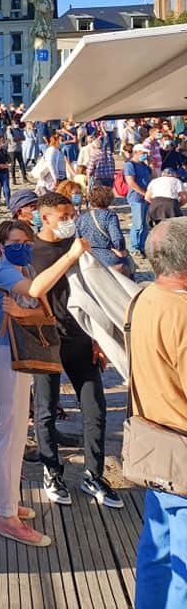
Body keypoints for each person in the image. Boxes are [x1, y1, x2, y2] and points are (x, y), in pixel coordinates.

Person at [0, 220, 90, 547]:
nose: (21, 245)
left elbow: (41, 309)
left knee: (12, 431)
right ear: (2, 245)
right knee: (10, 433)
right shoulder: (3, 270)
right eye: (14, 240)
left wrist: (22, 311)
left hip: (18, 354)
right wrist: (70, 255)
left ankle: (0, 498)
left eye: (25, 240)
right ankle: (8, 517)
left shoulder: (25, 266)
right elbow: (36, 292)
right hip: (5, 354)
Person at [31, 192, 122, 508]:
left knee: (95, 409)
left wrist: (100, 337)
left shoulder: (78, 246)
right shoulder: (35, 250)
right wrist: (70, 255)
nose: (71, 221)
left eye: (72, 215)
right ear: (45, 217)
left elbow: (93, 294)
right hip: (46, 342)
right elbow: (36, 288)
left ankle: (93, 475)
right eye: (63, 216)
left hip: (81, 339)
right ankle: (52, 472)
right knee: (46, 411)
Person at [131, 218, 187, 608]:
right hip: (182, 448)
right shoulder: (181, 312)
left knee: (157, 550)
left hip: (154, 443)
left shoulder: (144, 297)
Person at [75, 185, 131, 275]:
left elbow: (77, 238)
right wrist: (121, 250)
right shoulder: (109, 216)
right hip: (108, 257)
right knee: (128, 270)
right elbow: (117, 238)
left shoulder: (82, 217)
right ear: (109, 199)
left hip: (88, 258)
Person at [122, 143, 152, 256]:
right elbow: (131, 182)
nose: (145, 155)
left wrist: (151, 163)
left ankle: (142, 245)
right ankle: (134, 247)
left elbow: (152, 176)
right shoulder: (130, 165)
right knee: (137, 224)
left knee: (144, 224)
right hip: (136, 197)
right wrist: (144, 193)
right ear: (136, 152)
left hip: (146, 198)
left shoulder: (144, 165)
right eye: (143, 153)